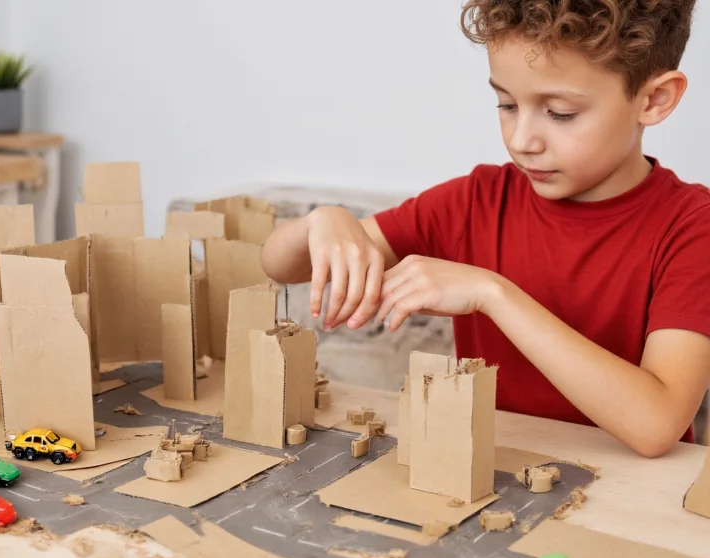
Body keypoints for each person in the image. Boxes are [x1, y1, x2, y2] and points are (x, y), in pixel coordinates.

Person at [259, 0, 710, 458]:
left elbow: (657, 425)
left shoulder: (693, 227)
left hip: (634, 498)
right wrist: (325, 222)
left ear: (655, 99)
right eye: (507, 104)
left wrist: (493, 295)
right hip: (494, 476)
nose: (521, 141)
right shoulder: (475, 201)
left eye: (560, 112)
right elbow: (279, 264)